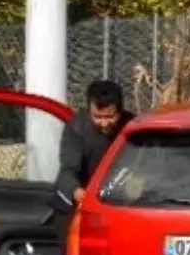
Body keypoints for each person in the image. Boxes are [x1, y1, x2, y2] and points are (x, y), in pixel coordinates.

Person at [52, 80, 135, 214]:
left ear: (120, 110)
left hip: (119, 203)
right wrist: (78, 193)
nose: (104, 123)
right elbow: (68, 171)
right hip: (76, 205)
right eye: (97, 117)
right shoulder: (77, 129)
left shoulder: (132, 127)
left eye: (110, 117)